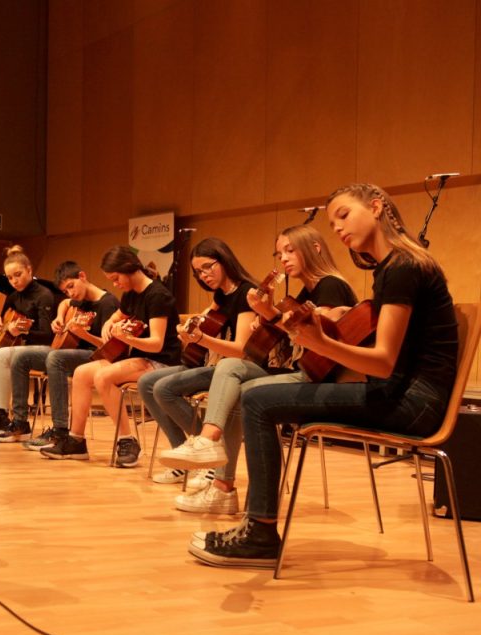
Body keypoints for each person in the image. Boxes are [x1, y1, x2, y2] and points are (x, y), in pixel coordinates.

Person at [190, 183, 458, 567]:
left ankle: (260, 533)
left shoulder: (402, 268)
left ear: (378, 207)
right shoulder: (393, 268)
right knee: (256, 395)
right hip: (400, 394)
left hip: (413, 403)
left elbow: (382, 361)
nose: (339, 229)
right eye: (333, 224)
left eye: (344, 215)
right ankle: (256, 526)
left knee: (257, 399)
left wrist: (321, 342)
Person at [161, 224, 358, 515]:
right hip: (302, 371)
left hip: (320, 378)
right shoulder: (309, 290)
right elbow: (297, 334)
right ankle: (211, 451)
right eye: (280, 253)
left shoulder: (332, 285)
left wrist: (270, 315)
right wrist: (270, 318)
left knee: (239, 386)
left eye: (290, 250)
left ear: (315, 249)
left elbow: (318, 341)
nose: (284, 259)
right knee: (229, 369)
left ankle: (221, 481)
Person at [41, 246, 181, 463]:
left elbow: (156, 344)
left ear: (129, 269)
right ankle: (76, 442)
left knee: (103, 377)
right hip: (139, 358)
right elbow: (118, 315)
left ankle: (127, 440)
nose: (115, 285)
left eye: (116, 278)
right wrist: (109, 323)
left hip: (160, 361)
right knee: (81, 373)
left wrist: (127, 339)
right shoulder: (130, 295)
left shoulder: (158, 296)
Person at [140, 238, 258, 486]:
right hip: (212, 363)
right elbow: (206, 315)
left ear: (224, 260)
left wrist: (202, 338)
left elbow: (240, 351)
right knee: (147, 382)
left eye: (208, 267)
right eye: (198, 272)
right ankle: (186, 455)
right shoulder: (221, 294)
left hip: (235, 368)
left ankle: (208, 453)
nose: (204, 275)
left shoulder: (246, 293)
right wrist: (189, 326)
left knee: (164, 388)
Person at [0, 260, 118, 449]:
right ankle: (21, 422)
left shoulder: (108, 303)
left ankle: (60, 430)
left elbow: (109, 348)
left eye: (71, 286)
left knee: (56, 358)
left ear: (82, 276)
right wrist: (59, 317)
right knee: (21, 357)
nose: (71, 293)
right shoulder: (79, 300)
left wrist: (84, 335)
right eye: (66, 290)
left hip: (95, 356)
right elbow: (64, 303)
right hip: (73, 351)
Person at [0, 246, 56, 435]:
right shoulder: (14, 297)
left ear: (29, 270)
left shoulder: (44, 295)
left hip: (40, 349)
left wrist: (22, 333)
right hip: (19, 347)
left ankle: (1, 413)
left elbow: (48, 335)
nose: (14, 281)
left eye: (18, 274)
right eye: (10, 278)